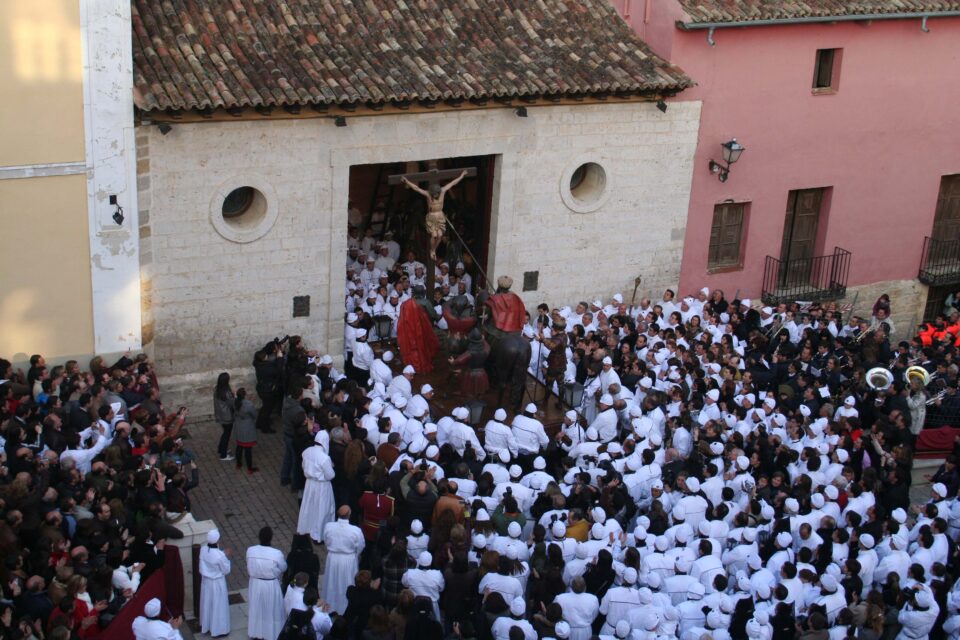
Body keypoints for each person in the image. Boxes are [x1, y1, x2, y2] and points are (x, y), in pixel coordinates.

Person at [322, 506, 366, 615]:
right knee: (347, 582)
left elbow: (326, 541)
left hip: (333, 558)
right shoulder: (355, 530)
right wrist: (354, 554)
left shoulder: (329, 526)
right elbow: (361, 546)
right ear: (349, 515)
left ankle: (330, 605)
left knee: (332, 582)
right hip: (348, 559)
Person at [247, 527, 287, 640]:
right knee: (271, 609)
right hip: (270, 585)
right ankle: (270, 633)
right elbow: (283, 567)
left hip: (255, 584)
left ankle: (255, 632)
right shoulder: (276, 554)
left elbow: (249, 566)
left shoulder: (250, 550)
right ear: (271, 538)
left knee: (257, 608)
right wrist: (276, 572)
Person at [297, 432, 336, 544]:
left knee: (310, 507)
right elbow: (331, 475)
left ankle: (307, 528)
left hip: (309, 484)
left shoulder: (306, 452)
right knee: (322, 510)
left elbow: (304, 466)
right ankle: (318, 534)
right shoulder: (324, 458)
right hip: (322, 486)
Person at [198, 529, 231, 637]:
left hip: (206, 582)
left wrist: (222, 553)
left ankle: (206, 625)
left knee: (207, 604)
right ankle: (219, 629)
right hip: (217, 583)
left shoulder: (203, 550)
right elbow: (226, 570)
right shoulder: (220, 555)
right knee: (218, 606)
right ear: (217, 541)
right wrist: (224, 555)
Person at [233, 388, 259, 474]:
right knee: (248, 449)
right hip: (247, 427)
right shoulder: (248, 404)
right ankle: (249, 468)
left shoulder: (235, 402)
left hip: (238, 426)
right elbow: (254, 414)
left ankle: (239, 464)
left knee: (239, 446)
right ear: (244, 395)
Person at [213, 372, 235, 461]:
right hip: (227, 416)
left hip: (220, 415)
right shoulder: (226, 392)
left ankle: (221, 448)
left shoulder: (217, 389)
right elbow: (232, 403)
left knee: (225, 433)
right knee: (227, 435)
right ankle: (223, 454)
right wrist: (235, 395)